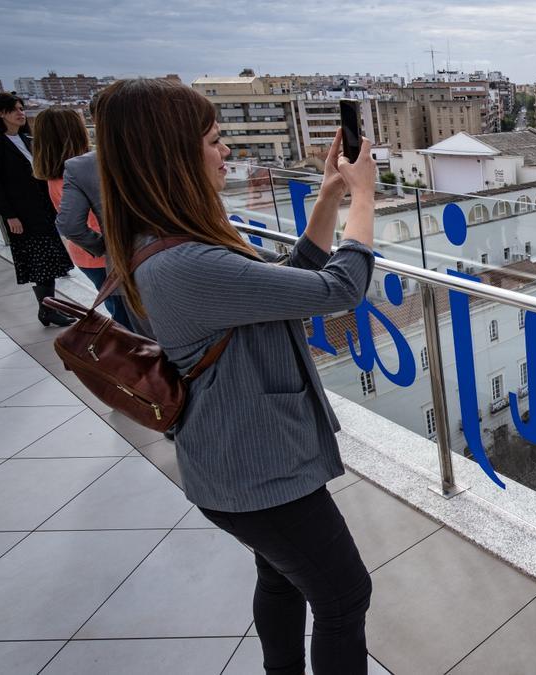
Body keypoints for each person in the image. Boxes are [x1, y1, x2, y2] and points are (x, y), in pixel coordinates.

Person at [97, 78, 377, 674]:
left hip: (232, 462)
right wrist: (364, 200)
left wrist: (328, 195)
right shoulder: (187, 262)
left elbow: (286, 289)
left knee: (280, 579)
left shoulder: (169, 246)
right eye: (215, 140)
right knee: (344, 595)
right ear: (171, 157)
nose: (225, 153)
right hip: (258, 472)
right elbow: (339, 289)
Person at [31, 106, 132, 328]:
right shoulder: (81, 171)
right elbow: (72, 224)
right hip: (104, 257)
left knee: (119, 312)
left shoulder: (56, 174)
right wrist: (106, 246)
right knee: (128, 318)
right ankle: (137, 358)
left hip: (84, 255)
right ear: (75, 132)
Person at [0, 93, 75, 326]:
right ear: (0, 113)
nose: (21, 113)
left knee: (48, 258)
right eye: (15, 110)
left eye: (21, 108)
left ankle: (47, 309)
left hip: (42, 209)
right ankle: (47, 310)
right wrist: (9, 215)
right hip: (22, 214)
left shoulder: (27, 139)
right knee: (41, 261)